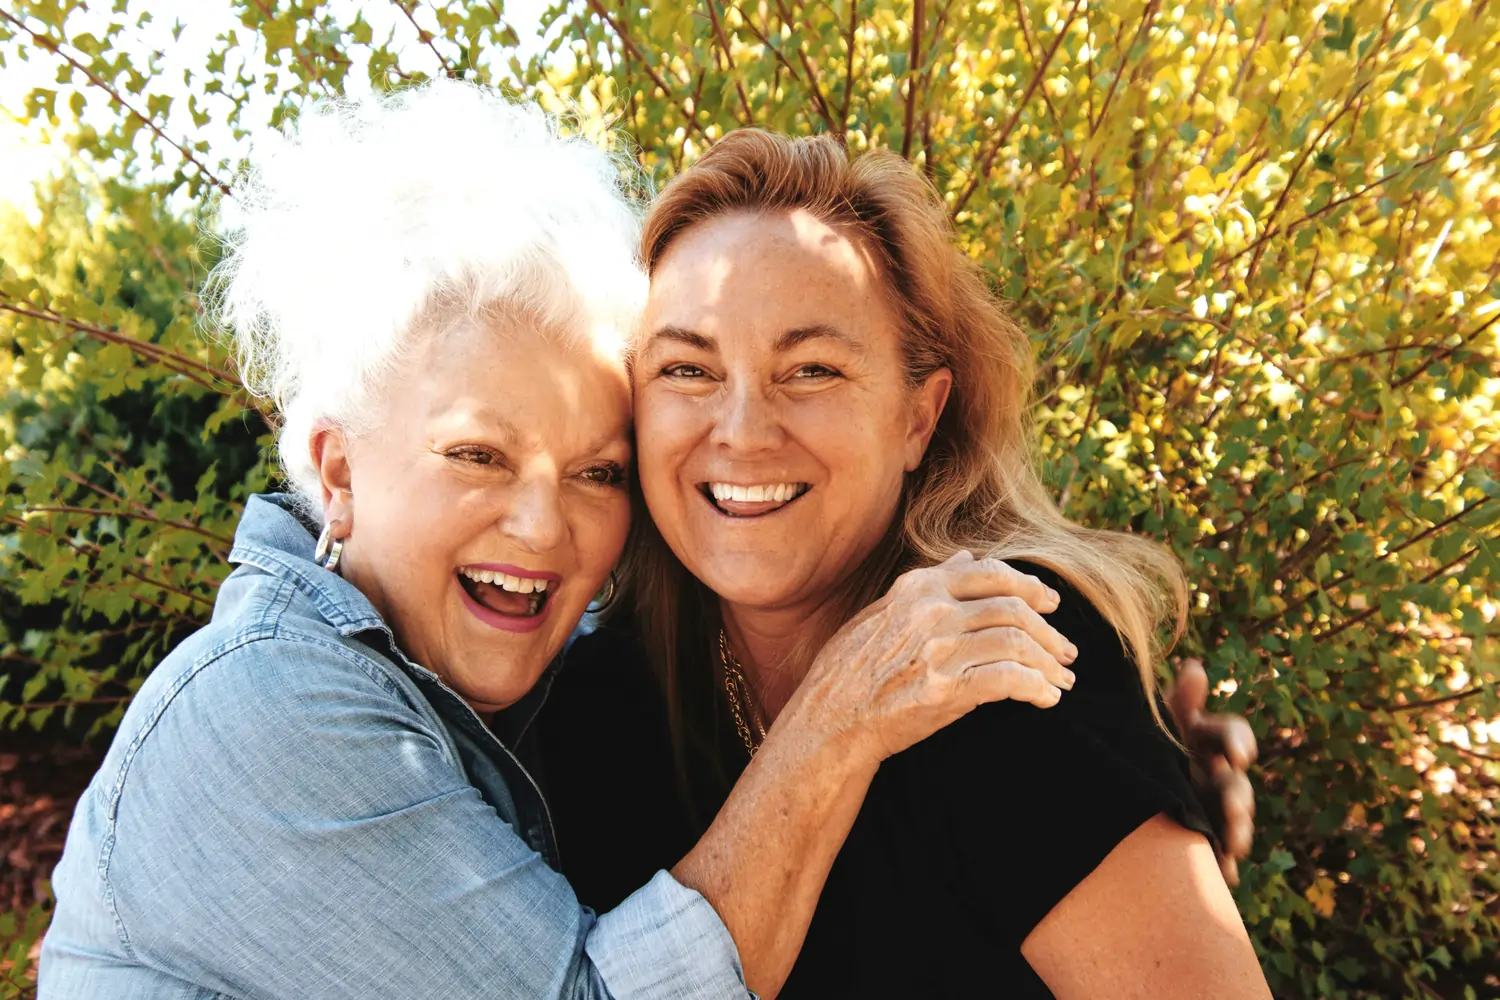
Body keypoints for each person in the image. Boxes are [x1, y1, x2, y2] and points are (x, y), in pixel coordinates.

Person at [37, 84, 1080, 999]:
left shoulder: (541, 693)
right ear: (339, 470)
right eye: (477, 455)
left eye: (597, 472)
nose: (542, 527)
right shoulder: (266, 710)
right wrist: (837, 718)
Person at [537, 129, 1271, 998]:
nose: (741, 431)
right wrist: (831, 724)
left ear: (918, 419)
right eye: (687, 369)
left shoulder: (1002, 654)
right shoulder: (594, 704)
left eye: (811, 370)